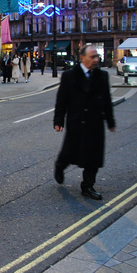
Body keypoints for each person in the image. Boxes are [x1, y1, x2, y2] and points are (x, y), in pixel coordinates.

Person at [53, 45, 116, 200]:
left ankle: (87, 186)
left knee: (93, 156)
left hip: (95, 122)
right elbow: (62, 100)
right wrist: (58, 120)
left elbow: (107, 100)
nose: (96, 60)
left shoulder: (102, 76)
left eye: (97, 57)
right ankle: (60, 167)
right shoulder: (70, 75)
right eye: (92, 57)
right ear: (82, 58)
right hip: (76, 121)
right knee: (69, 152)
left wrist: (110, 120)